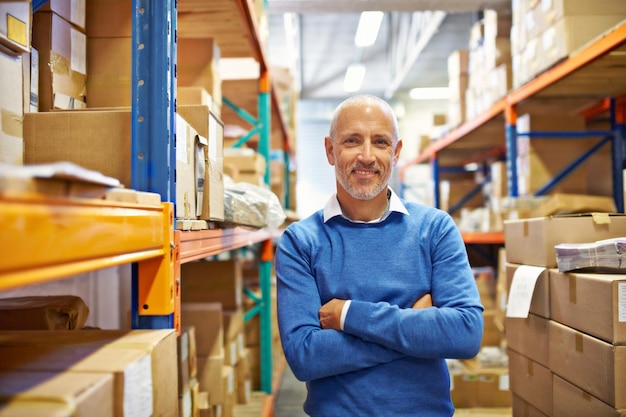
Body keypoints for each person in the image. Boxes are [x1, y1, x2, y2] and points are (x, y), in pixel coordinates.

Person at [274, 94, 484, 416]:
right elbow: (305, 356)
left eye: (381, 142)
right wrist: (416, 327)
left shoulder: (435, 229)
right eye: (352, 141)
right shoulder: (301, 242)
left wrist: (348, 316)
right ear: (330, 150)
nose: (367, 156)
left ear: (396, 152)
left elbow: (466, 333)